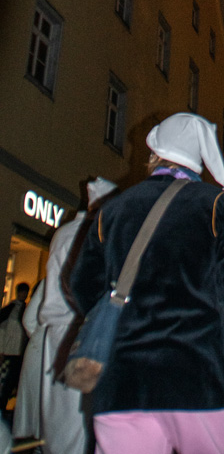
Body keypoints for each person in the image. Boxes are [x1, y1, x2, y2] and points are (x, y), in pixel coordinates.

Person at [70, 112, 224, 454]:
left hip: (122, 382)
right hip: (201, 378)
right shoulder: (217, 206)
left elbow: (81, 285)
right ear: (197, 161)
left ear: (154, 154)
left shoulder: (112, 210)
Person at [35, 176, 117, 454]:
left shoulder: (65, 232)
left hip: (57, 333)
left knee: (56, 419)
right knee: (76, 421)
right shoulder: (89, 235)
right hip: (77, 331)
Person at [11, 278, 46, 442]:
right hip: (44, 350)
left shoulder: (49, 281)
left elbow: (29, 320)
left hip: (38, 349)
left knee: (31, 409)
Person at [0, 282, 30, 415]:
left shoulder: (25, 309)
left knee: (11, 381)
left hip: (18, 351)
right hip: (9, 350)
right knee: (5, 380)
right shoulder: (11, 309)